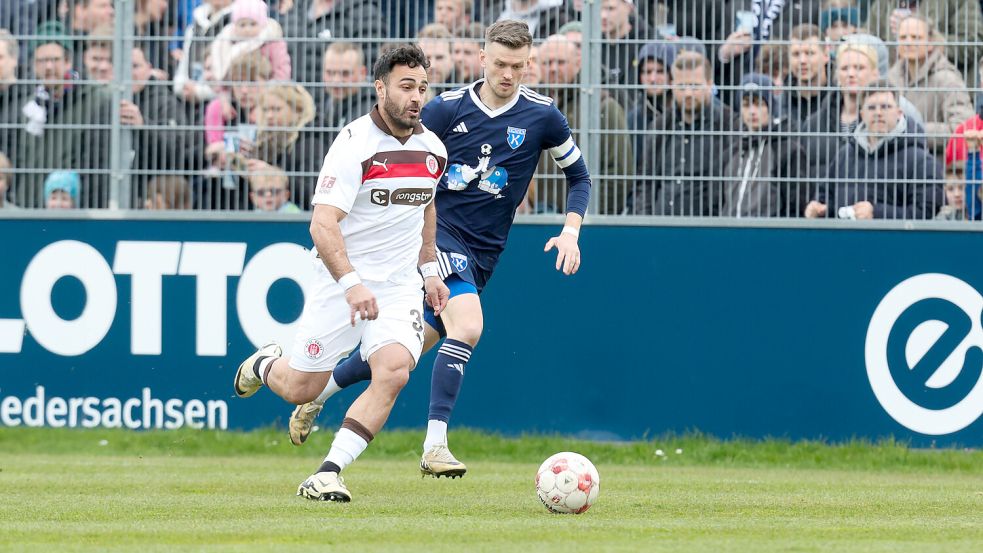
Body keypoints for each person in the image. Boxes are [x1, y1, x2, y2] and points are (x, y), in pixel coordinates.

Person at [284, 20, 591, 479]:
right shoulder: (446, 109)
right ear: (482, 59)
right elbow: (409, 160)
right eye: (500, 64)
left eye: (518, 66)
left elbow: (580, 176)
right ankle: (435, 445)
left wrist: (571, 230)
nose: (508, 74)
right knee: (467, 326)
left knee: (401, 356)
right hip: (441, 237)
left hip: (486, 252)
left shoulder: (543, 115)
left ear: (530, 65)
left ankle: (320, 394)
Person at [234, 44, 450, 502]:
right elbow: (322, 223)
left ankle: (328, 472)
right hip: (342, 283)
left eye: (423, 88)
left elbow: (426, 207)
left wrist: (429, 269)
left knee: (392, 372)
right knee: (301, 388)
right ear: (381, 88)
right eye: (406, 86)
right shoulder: (353, 144)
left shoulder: (433, 150)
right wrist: (352, 284)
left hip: (398, 288)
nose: (416, 97)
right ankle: (264, 364)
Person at [805, 79, 944, 220]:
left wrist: (877, 213)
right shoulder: (845, 155)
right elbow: (825, 197)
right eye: (871, 108)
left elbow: (926, 212)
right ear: (862, 114)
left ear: (899, 113)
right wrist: (818, 209)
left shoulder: (920, 160)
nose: (878, 113)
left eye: (885, 107)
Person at [887, 14, 974, 156]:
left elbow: (963, 128)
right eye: (903, 37)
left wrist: (911, 130)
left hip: (933, 167)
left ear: (930, 44)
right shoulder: (890, 79)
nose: (908, 42)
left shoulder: (947, 79)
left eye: (916, 37)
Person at [721, 73, 806, 217]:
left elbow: (795, 205)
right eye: (746, 104)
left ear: (771, 107)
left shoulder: (787, 150)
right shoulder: (732, 149)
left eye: (759, 103)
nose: (752, 111)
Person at [210, 0, 291, 84]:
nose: (247, 29)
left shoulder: (273, 42)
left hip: (267, 91)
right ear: (235, 26)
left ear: (262, 24)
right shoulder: (226, 42)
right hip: (235, 92)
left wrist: (273, 89)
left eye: (253, 24)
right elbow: (222, 71)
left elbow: (281, 69)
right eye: (242, 25)